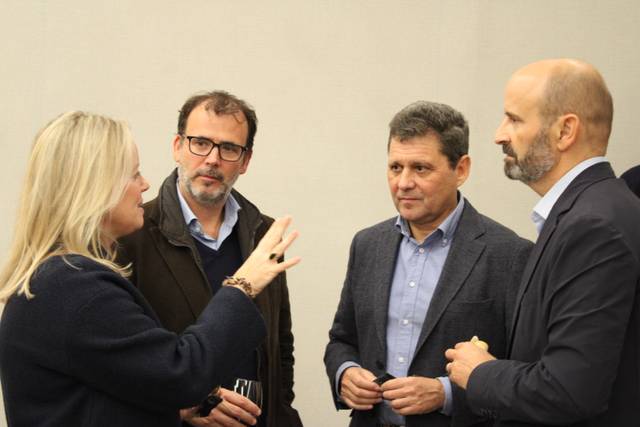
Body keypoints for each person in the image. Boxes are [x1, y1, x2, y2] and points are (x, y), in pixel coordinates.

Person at [0, 111, 300, 427]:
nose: (144, 184)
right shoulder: (74, 287)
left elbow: (95, 401)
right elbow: (182, 374)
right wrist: (242, 285)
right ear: (94, 187)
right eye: (134, 174)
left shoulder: (60, 278)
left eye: (228, 148)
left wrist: (179, 410)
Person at [446, 59, 640, 427]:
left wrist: (479, 373)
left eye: (514, 119)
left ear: (565, 131)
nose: (499, 135)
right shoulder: (594, 211)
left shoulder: (593, 227)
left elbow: (569, 391)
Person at [324, 101, 532, 427]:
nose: (403, 183)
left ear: (460, 169)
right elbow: (342, 340)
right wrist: (344, 373)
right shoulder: (367, 245)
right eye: (395, 168)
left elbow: (523, 371)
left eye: (420, 168)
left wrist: (445, 393)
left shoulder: (509, 254)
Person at [117, 91, 303, 427]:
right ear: (177, 147)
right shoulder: (132, 235)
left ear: (245, 161)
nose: (213, 159)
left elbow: (280, 345)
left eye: (229, 148)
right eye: (200, 143)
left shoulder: (265, 234)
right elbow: (123, 363)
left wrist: (281, 411)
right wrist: (183, 407)